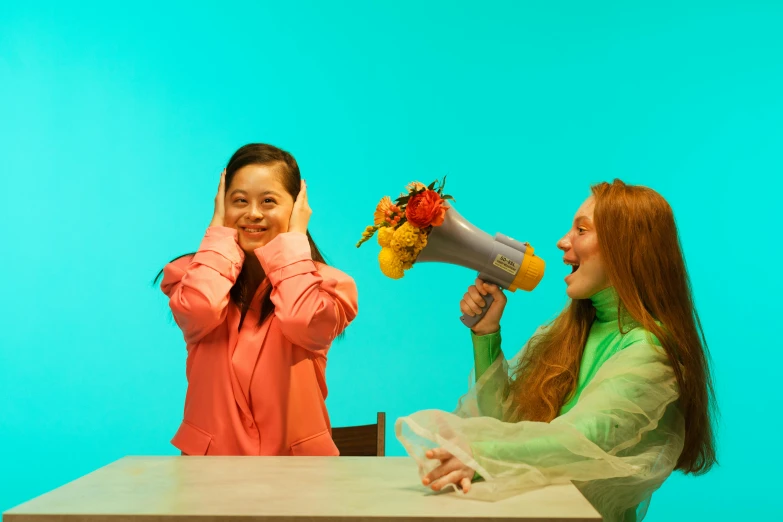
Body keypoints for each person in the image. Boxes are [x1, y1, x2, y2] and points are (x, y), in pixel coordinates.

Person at [395, 179, 716, 522]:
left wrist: (481, 453)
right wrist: (486, 334)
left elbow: (580, 440)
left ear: (627, 247)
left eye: (581, 229)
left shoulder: (650, 352)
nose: (563, 242)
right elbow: (505, 420)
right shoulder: (569, 331)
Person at [156, 143, 358, 456]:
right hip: (208, 477)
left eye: (268, 201)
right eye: (239, 201)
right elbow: (202, 308)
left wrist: (294, 239)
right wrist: (218, 233)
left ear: (296, 208)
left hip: (298, 478)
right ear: (221, 205)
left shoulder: (330, 286)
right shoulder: (188, 275)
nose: (252, 213)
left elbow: (300, 321)